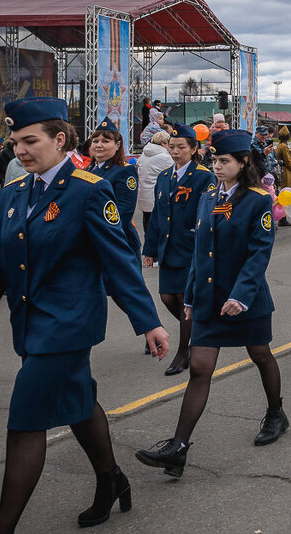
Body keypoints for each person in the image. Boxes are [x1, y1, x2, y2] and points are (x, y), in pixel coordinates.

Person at [0, 97, 169, 534]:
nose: (21, 150)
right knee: (79, 404)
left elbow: (118, 260)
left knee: (25, 422)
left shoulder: (89, 190)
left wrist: (147, 321)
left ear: (60, 140)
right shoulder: (15, 192)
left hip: (67, 327)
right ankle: (113, 480)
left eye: (30, 141)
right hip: (31, 326)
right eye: (15, 143)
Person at [135, 129, 288, 477]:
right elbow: (199, 254)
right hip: (208, 298)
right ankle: (179, 447)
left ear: (243, 162)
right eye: (214, 161)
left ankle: (276, 413)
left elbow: (258, 255)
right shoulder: (208, 197)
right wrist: (190, 297)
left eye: (224, 161)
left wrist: (241, 296)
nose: (216, 167)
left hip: (244, 300)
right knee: (200, 368)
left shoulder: (257, 200)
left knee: (260, 355)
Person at [142, 123, 212, 375]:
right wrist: (149, 249)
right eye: (171, 147)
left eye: (181, 147)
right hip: (168, 248)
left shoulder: (204, 176)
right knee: (167, 297)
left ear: (193, 149)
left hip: (191, 248)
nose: (175, 152)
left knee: (184, 302)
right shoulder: (164, 177)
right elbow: (157, 216)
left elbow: (208, 214)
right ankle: (196, 329)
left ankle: (184, 352)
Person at [87, 118, 142, 261]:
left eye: (105, 141)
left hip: (116, 240)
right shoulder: (87, 169)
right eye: (95, 141)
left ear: (117, 145)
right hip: (91, 240)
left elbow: (124, 211)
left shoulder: (125, 170)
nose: (99, 145)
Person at [136, 129, 173, 239]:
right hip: (156, 197)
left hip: (143, 196)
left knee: (147, 226)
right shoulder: (165, 157)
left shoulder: (143, 155)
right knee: (158, 231)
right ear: (163, 143)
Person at [275, 126, 291, 192]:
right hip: (286, 172)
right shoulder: (284, 147)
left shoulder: (280, 145)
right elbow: (288, 161)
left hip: (283, 170)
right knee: (287, 190)